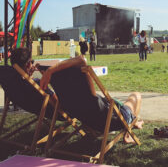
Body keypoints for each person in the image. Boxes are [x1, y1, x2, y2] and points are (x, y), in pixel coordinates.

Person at [11, 47, 144, 144]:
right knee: (136, 96)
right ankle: (129, 131)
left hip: (87, 117)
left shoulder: (18, 84)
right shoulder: (40, 86)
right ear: (29, 64)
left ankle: (134, 122)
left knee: (113, 103)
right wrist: (50, 71)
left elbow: (63, 98)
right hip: (107, 118)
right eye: (31, 61)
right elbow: (81, 59)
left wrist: (51, 78)